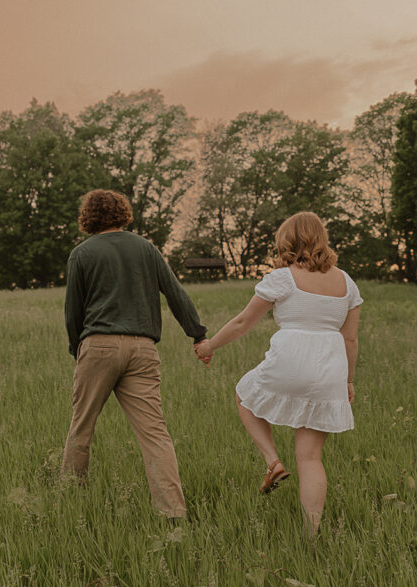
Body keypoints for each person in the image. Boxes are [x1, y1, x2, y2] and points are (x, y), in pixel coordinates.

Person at [194, 212, 362, 536]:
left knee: (245, 395)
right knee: (311, 458)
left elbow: (244, 322)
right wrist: (349, 380)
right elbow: (351, 338)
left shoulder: (283, 277)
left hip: (291, 358)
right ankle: (311, 537)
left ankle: (272, 462)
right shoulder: (346, 283)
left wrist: (209, 345)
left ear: (287, 242)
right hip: (330, 367)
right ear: (321, 239)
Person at [63, 189, 207, 519]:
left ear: (89, 217)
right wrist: (197, 333)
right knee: (155, 434)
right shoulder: (146, 248)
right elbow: (175, 293)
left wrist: (78, 349)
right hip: (143, 348)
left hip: (98, 345)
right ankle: (173, 513)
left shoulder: (82, 254)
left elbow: (73, 311)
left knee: (81, 428)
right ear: (123, 214)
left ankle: (71, 505)